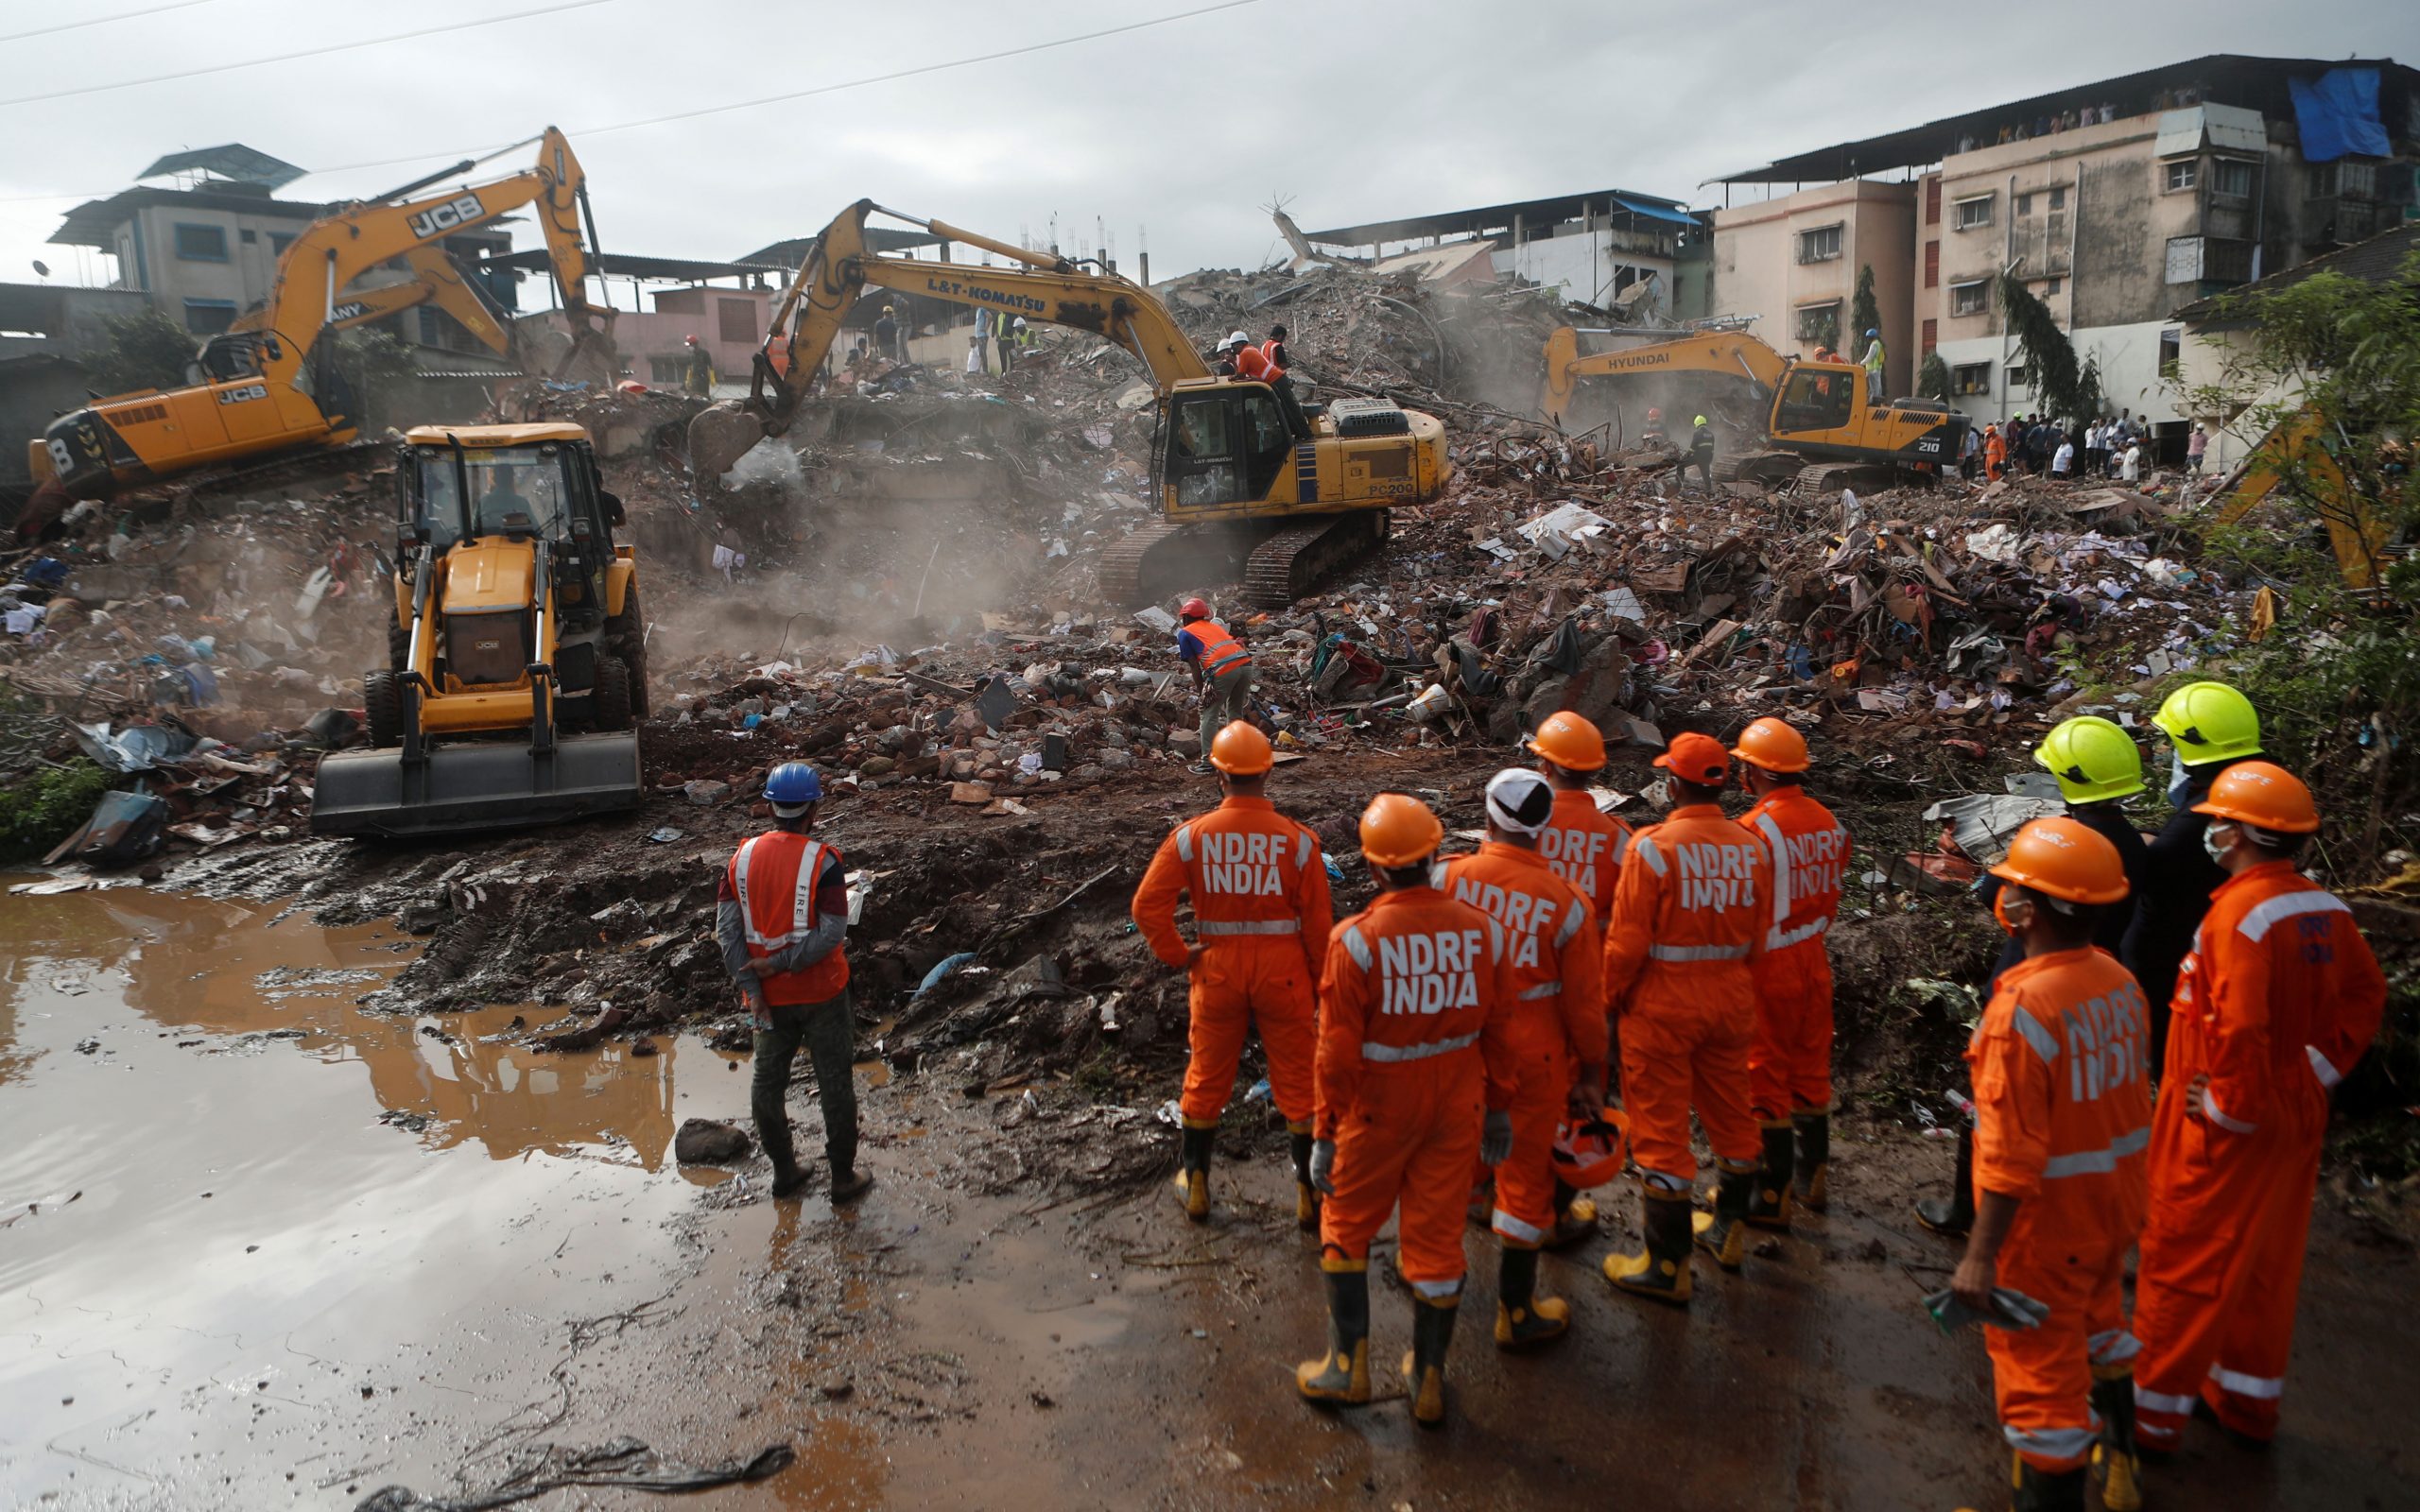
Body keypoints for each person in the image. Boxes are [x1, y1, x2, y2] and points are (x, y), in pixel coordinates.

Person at [2131, 764, 2385, 1458]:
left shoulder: (2239, 916)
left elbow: (2239, 1027)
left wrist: (2224, 1106)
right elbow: (2365, 997)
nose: (2210, 830)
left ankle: (2150, 1421)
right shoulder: (2322, 908)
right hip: (2291, 1112)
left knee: (2182, 1260)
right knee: (2265, 1261)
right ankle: (2244, 1400)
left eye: (2219, 822)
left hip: (2224, 1125)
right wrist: (2311, 1074)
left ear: (2239, 834)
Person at [1952, 816, 2152, 1512]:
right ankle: (2123, 1466)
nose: (2001, 895)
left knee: (2040, 1385)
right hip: (2114, 1207)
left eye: (2011, 886)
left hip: (2047, 1228)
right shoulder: (2120, 982)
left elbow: (2009, 1156)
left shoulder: (2022, 1010)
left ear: (2027, 911)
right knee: (2102, 1329)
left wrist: (1980, 1256)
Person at [1297, 794, 1516, 1428]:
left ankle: (1348, 1368)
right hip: (1458, 1101)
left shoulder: (1358, 943)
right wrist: (1499, 1107)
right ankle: (1427, 1380)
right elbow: (1501, 1028)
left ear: (1373, 869)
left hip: (1378, 1107)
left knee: (1346, 1225)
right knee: (1438, 1239)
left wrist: (1324, 1134)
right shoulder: (1485, 932)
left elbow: (1335, 1056)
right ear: (1434, 858)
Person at [1919, 715, 2155, 1237]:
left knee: (1990, 1100)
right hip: (2096, 978)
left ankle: (1970, 1210)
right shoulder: (2136, 846)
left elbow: (1993, 896)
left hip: (2030, 979)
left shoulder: (2057, 840)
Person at [1131, 722, 1333, 1226]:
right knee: (1298, 1081)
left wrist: (1179, 954)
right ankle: (1309, 1197)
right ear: (1268, 772)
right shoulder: (1300, 843)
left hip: (1216, 970)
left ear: (1218, 774)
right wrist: (1319, 985)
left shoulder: (1191, 837)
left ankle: (1196, 1186)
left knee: (1206, 1075)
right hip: (1283, 974)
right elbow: (1318, 928)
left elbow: (1146, 907)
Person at [1599, 732, 1772, 1301]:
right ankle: (1728, 1232)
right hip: (1730, 1000)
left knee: (1661, 1130)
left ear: (1672, 784)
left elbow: (1626, 945)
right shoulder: (1753, 846)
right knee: (1731, 1115)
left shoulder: (1652, 848)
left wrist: (1609, 1002)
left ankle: (1666, 1266)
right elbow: (1760, 935)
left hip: (1662, 1008)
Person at [1438, 770, 1606, 1345]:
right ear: (1544, 828)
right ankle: (1515, 1312)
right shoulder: (1569, 904)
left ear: (1487, 818)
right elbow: (1587, 1007)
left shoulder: (1445, 878)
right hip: (1534, 1058)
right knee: (1528, 1181)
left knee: (1453, 1156)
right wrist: (1593, 1072)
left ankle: (1441, 1272)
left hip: (1457, 1049)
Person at [717, 763, 871, 1202]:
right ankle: (842, 1178)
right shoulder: (824, 862)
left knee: (766, 1085)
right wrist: (785, 963)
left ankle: (785, 1172)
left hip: (769, 1001)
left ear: (769, 809)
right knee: (835, 1084)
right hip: (823, 992)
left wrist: (754, 988)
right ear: (813, 811)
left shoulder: (740, 860)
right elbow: (833, 932)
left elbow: (728, 936)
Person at [1731, 718, 1851, 1227]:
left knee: (1765, 1072)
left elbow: (1741, 905)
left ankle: (1772, 1192)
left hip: (1770, 966)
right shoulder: (1828, 821)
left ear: (1754, 772)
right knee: (1810, 1064)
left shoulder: (1755, 830)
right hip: (1813, 958)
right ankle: (1813, 1174)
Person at [2135, 681, 2262, 1069]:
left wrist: (2134, 843)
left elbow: (2153, 869)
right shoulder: (2251, 786)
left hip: (2171, 955)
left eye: (2174, 741)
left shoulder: (2206, 810)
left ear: (2193, 744)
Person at [1177, 598, 1253, 774]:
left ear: (1186, 617)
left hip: (1225, 669)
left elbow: (1194, 666)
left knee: (1208, 713)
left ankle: (1208, 762)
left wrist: (1202, 691)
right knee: (1234, 711)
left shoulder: (1185, 632)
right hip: (1245, 664)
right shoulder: (1215, 627)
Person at [680, 334, 716, 398]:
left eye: (690, 345)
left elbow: (710, 366)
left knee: (704, 396)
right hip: (694, 380)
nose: (689, 347)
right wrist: (688, 380)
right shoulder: (691, 355)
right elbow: (689, 369)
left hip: (703, 379)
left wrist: (712, 378)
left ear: (695, 344)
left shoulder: (705, 353)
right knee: (694, 396)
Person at [1687, 413, 1716, 492]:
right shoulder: (1711, 434)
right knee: (1706, 475)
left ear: (1696, 423)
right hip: (1707, 458)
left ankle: (1678, 484)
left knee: (1681, 466)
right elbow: (1712, 449)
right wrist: (1710, 459)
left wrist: (1686, 456)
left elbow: (1692, 448)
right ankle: (1709, 490)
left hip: (1698, 457)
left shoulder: (1697, 433)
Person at [1859, 327, 1886, 398]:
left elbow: (1869, 357)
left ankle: (1874, 400)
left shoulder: (1874, 344)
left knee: (1874, 388)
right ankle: (1876, 399)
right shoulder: (1878, 344)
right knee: (1877, 386)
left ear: (1870, 337)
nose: (1867, 340)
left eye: (1868, 338)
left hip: (1873, 370)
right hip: (1875, 369)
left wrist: (1861, 363)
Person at [974, 306, 996, 373]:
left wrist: (986, 327)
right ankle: (980, 369)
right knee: (981, 353)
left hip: (983, 336)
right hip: (979, 336)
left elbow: (989, 316)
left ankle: (985, 370)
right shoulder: (978, 311)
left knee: (983, 353)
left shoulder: (981, 309)